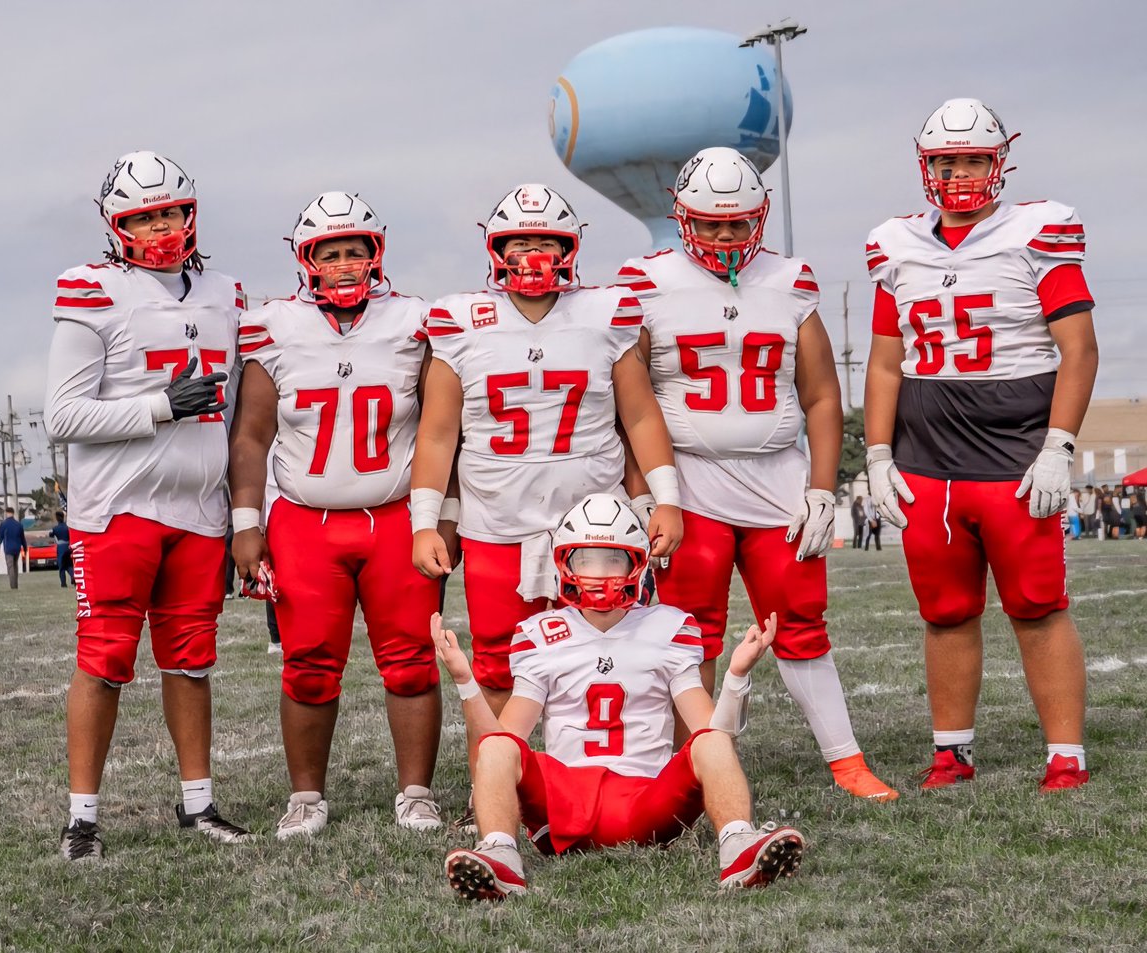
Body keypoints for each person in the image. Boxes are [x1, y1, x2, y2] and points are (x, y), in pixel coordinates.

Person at [618, 148, 897, 801]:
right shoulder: (645, 281)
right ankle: (690, 765)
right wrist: (642, 491)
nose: (723, 236)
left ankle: (846, 759)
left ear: (759, 218)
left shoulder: (791, 279)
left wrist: (823, 487)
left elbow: (823, 393)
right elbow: (628, 403)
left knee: (801, 621)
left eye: (737, 224)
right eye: (710, 224)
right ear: (683, 218)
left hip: (778, 480)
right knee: (690, 631)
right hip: (687, 481)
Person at [863, 99, 1098, 792]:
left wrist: (1058, 445)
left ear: (999, 162)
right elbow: (884, 362)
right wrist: (878, 455)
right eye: (945, 160)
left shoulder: (1038, 231)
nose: (958, 172)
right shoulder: (895, 243)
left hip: (1014, 450)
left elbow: (1078, 349)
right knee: (944, 610)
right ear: (925, 165)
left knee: (1037, 604)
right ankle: (951, 752)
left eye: (971, 158)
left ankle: (1065, 754)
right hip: (927, 454)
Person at [410, 184, 683, 747]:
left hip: (595, 523)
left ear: (570, 249)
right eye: (520, 240)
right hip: (496, 522)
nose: (533, 253)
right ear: (495, 248)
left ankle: (594, 764)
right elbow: (438, 436)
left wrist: (666, 499)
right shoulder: (460, 320)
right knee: (492, 663)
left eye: (546, 240)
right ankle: (499, 781)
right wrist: (425, 522)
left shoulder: (605, 311)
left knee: (606, 653)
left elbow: (639, 417)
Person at [434, 494, 805, 900]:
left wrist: (735, 675)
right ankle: (501, 857)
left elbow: (709, 731)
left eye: (613, 559)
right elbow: (503, 743)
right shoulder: (541, 632)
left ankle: (738, 847)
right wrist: (465, 681)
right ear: (564, 562)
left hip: (649, 802)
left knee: (712, 742)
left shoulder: (669, 626)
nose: (598, 573)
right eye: (586, 559)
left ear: (637, 563)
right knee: (498, 749)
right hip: (564, 803)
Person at [46, 150, 250, 860]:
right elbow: (62, 415)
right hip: (119, 506)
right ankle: (83, 818)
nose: (160, 226)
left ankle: (198, 803)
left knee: (191, 661)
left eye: (169, 211)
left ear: (190, 212)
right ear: (115, 226)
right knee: (104, 659)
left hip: (199, 508)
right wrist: (159, 406)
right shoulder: (92, 288)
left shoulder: (226, 290)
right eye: (143, 216)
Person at [230, 191, 444, 838]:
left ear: (376, 255)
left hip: (398, 513)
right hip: (304, 517)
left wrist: (445, 515)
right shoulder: (275, 324)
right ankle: (305, 796)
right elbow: (250, 435)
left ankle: (416, 791)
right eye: (331, 251)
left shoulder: (416, 321)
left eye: (356, 250)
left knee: (410, 660)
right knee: (307, 662)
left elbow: (441, 426)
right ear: (307, 258)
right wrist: (246, 523)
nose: (345, 263)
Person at [0, 507, 27, 590]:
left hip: (8, 548)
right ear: (13, 513)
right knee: (15, 565)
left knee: (10, 566)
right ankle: (15, 584)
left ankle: (13, 586)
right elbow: (23, 538)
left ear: (7, 513)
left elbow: (0, 537)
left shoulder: (4, 524)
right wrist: (25, 548)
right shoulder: (19, 524)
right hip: (17, 548)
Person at [49, 509, 75, 586]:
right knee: (69, 564)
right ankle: (73, 575)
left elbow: (51, 535)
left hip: (60, 548)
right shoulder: (68, 527)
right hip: (68, 547)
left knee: (62, 566)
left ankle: (63, 583)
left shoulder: (55, 528)